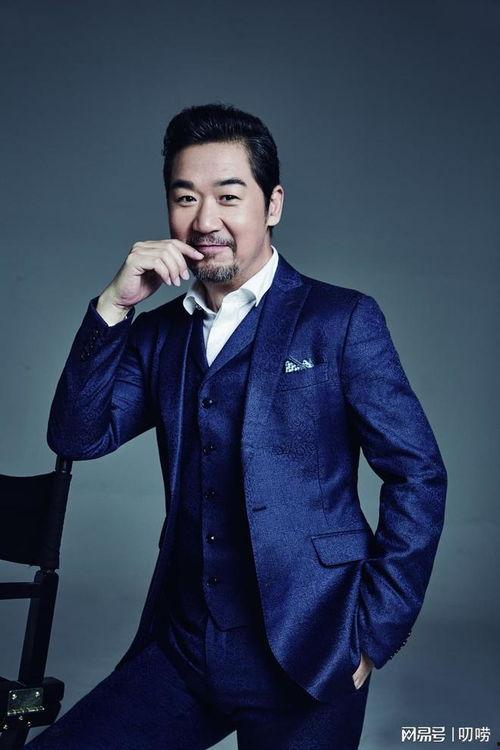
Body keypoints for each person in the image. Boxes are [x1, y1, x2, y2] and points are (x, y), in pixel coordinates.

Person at [26, 102, 447, 749]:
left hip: (312, 651)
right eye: (185, 198)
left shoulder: (341, 320)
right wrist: (113, 305)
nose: (205, 221)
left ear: (272, 204)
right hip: (185, 647)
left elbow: (418, 475)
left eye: (228, 196)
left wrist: (372, 633)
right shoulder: (161, 333)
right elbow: (76, 437)